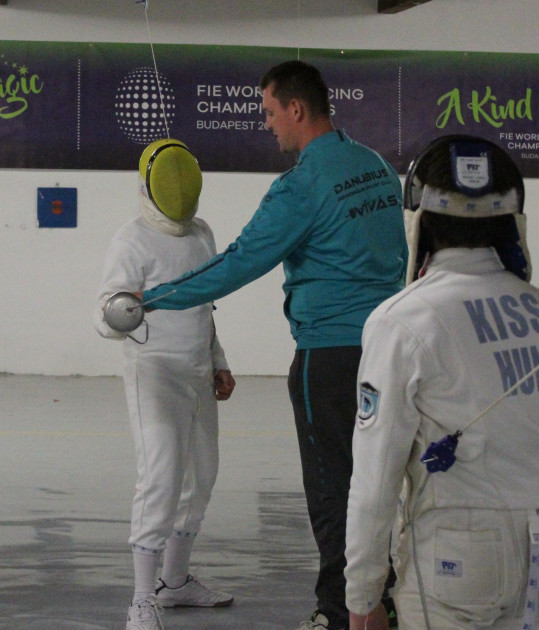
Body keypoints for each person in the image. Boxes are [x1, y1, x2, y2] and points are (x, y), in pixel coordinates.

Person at [139, 60, 407, 630]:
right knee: (382, 481)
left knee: (334, 488)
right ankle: (384, 603)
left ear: (296, 109)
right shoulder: (377, 167)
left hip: (328, 359)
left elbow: (239, 262)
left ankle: (338, 613)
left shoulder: (301, 185)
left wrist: (150, 299)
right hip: (391, 351)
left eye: (268, 112)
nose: (267, 124)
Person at [344, 135, 539, 630]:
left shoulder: (402, 320)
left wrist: (363, 595)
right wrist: (527, 514)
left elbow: (376, 475)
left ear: (419, 220)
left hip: (455, 554)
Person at [95, 139, 237, 630]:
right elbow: (105, 313)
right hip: (153, 371)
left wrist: (217, 359)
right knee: (161, 478)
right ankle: (141, 599)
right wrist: (121, 311)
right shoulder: (130, 241)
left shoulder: (202, 233)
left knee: (202, 476)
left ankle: (173, 583)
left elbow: (205, 305)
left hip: (197, 369)